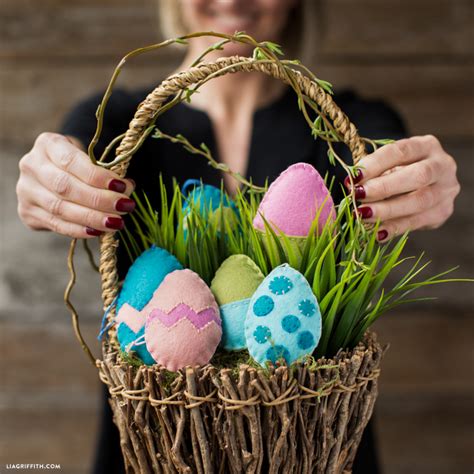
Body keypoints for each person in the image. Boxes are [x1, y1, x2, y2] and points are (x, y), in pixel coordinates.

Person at [15, 1, 460, 472]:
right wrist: (50, 181)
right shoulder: (120, 125)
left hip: (313, 437)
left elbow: (388, 155)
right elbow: (68, 156)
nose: (231, 2)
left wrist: (421, 181)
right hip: (158, 437)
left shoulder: (346, 122)